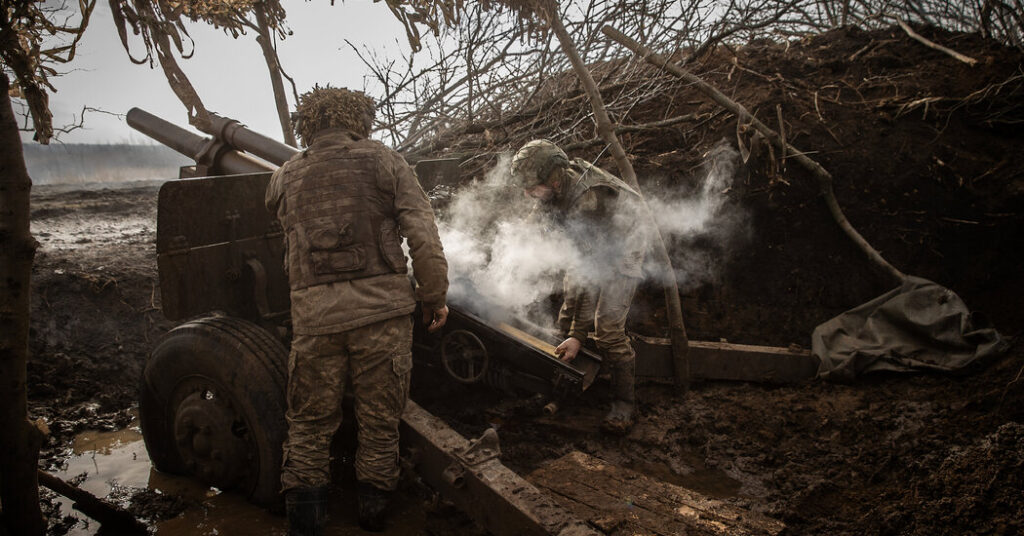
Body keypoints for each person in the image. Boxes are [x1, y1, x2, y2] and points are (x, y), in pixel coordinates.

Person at [266, 86, 449, 535]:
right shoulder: (385, 160)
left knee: (308, 425)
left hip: (315, 320)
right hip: (382, 318)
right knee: (380, 420)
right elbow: (422, 233)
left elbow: (285, 229)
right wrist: (434, 295)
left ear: (307, 124)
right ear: (360, 118)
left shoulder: (284, 176)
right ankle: (372, 519)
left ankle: (305, 524)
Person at [510, 139, 647, 435]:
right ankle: (559, 383)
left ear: (554, 180)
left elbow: (591, 274)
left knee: (608, 329)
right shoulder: (554, 189)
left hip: (624, 244)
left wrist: (578, 335)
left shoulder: (587, 200)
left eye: (532, 186)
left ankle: (624, 405)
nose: (526, 193)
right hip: (591, 245)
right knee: (565, 315)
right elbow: (530, 229)